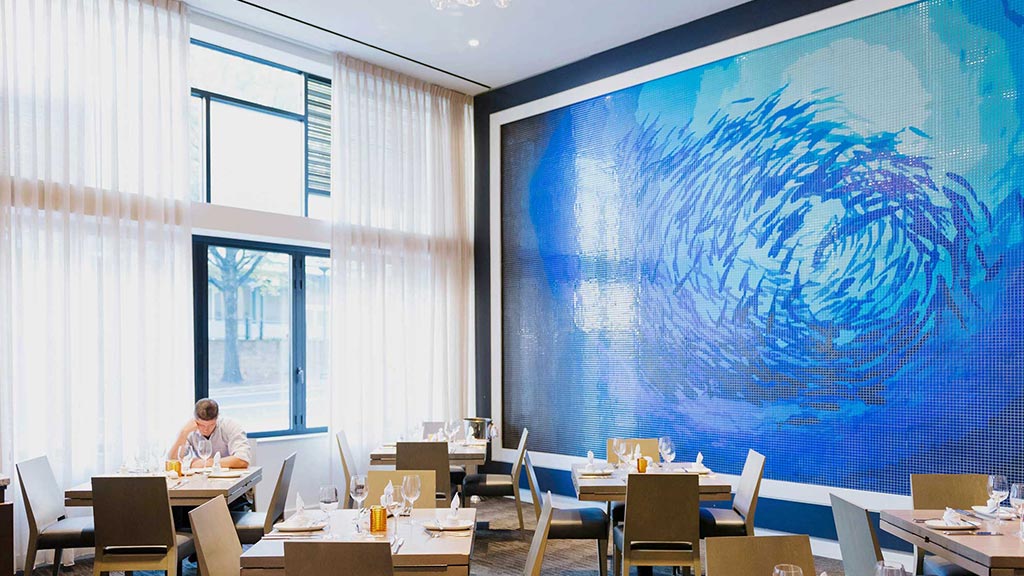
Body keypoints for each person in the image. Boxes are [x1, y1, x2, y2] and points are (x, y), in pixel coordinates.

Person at [168, 398, 251, 469]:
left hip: (231, 478)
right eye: (201, 425)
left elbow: (242, 460)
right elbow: (173, 460)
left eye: (211, 425)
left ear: (217, 417)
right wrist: (183, 433)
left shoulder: (231, 426)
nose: (206, 430)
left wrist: (207, 463)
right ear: (195, 419)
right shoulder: (189, 429)